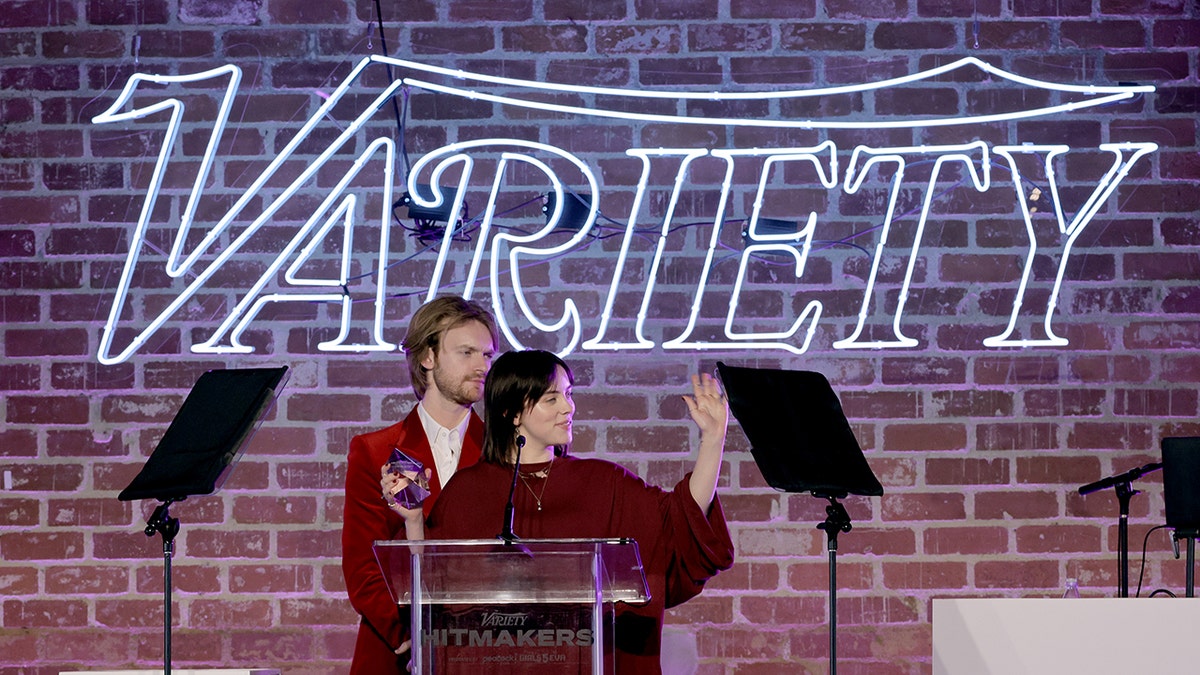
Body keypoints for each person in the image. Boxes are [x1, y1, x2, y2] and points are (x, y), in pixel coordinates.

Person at [389, 350, 735, 674]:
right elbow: (431, 591)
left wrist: (713, 438)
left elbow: (680, 517)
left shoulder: (604, 482)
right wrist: (415, 520)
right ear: (512, 412)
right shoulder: (468, 491)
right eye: (552, 398)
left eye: (569, 394)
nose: (568, 407)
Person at [342, 296, 499, 675]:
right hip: (398, 652)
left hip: (483, 649)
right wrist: (408, 637)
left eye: (488, 355)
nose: (482, 366)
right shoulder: (376, 450)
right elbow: (363, 564)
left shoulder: (503, 449)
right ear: (428, 357)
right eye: (467, 352)